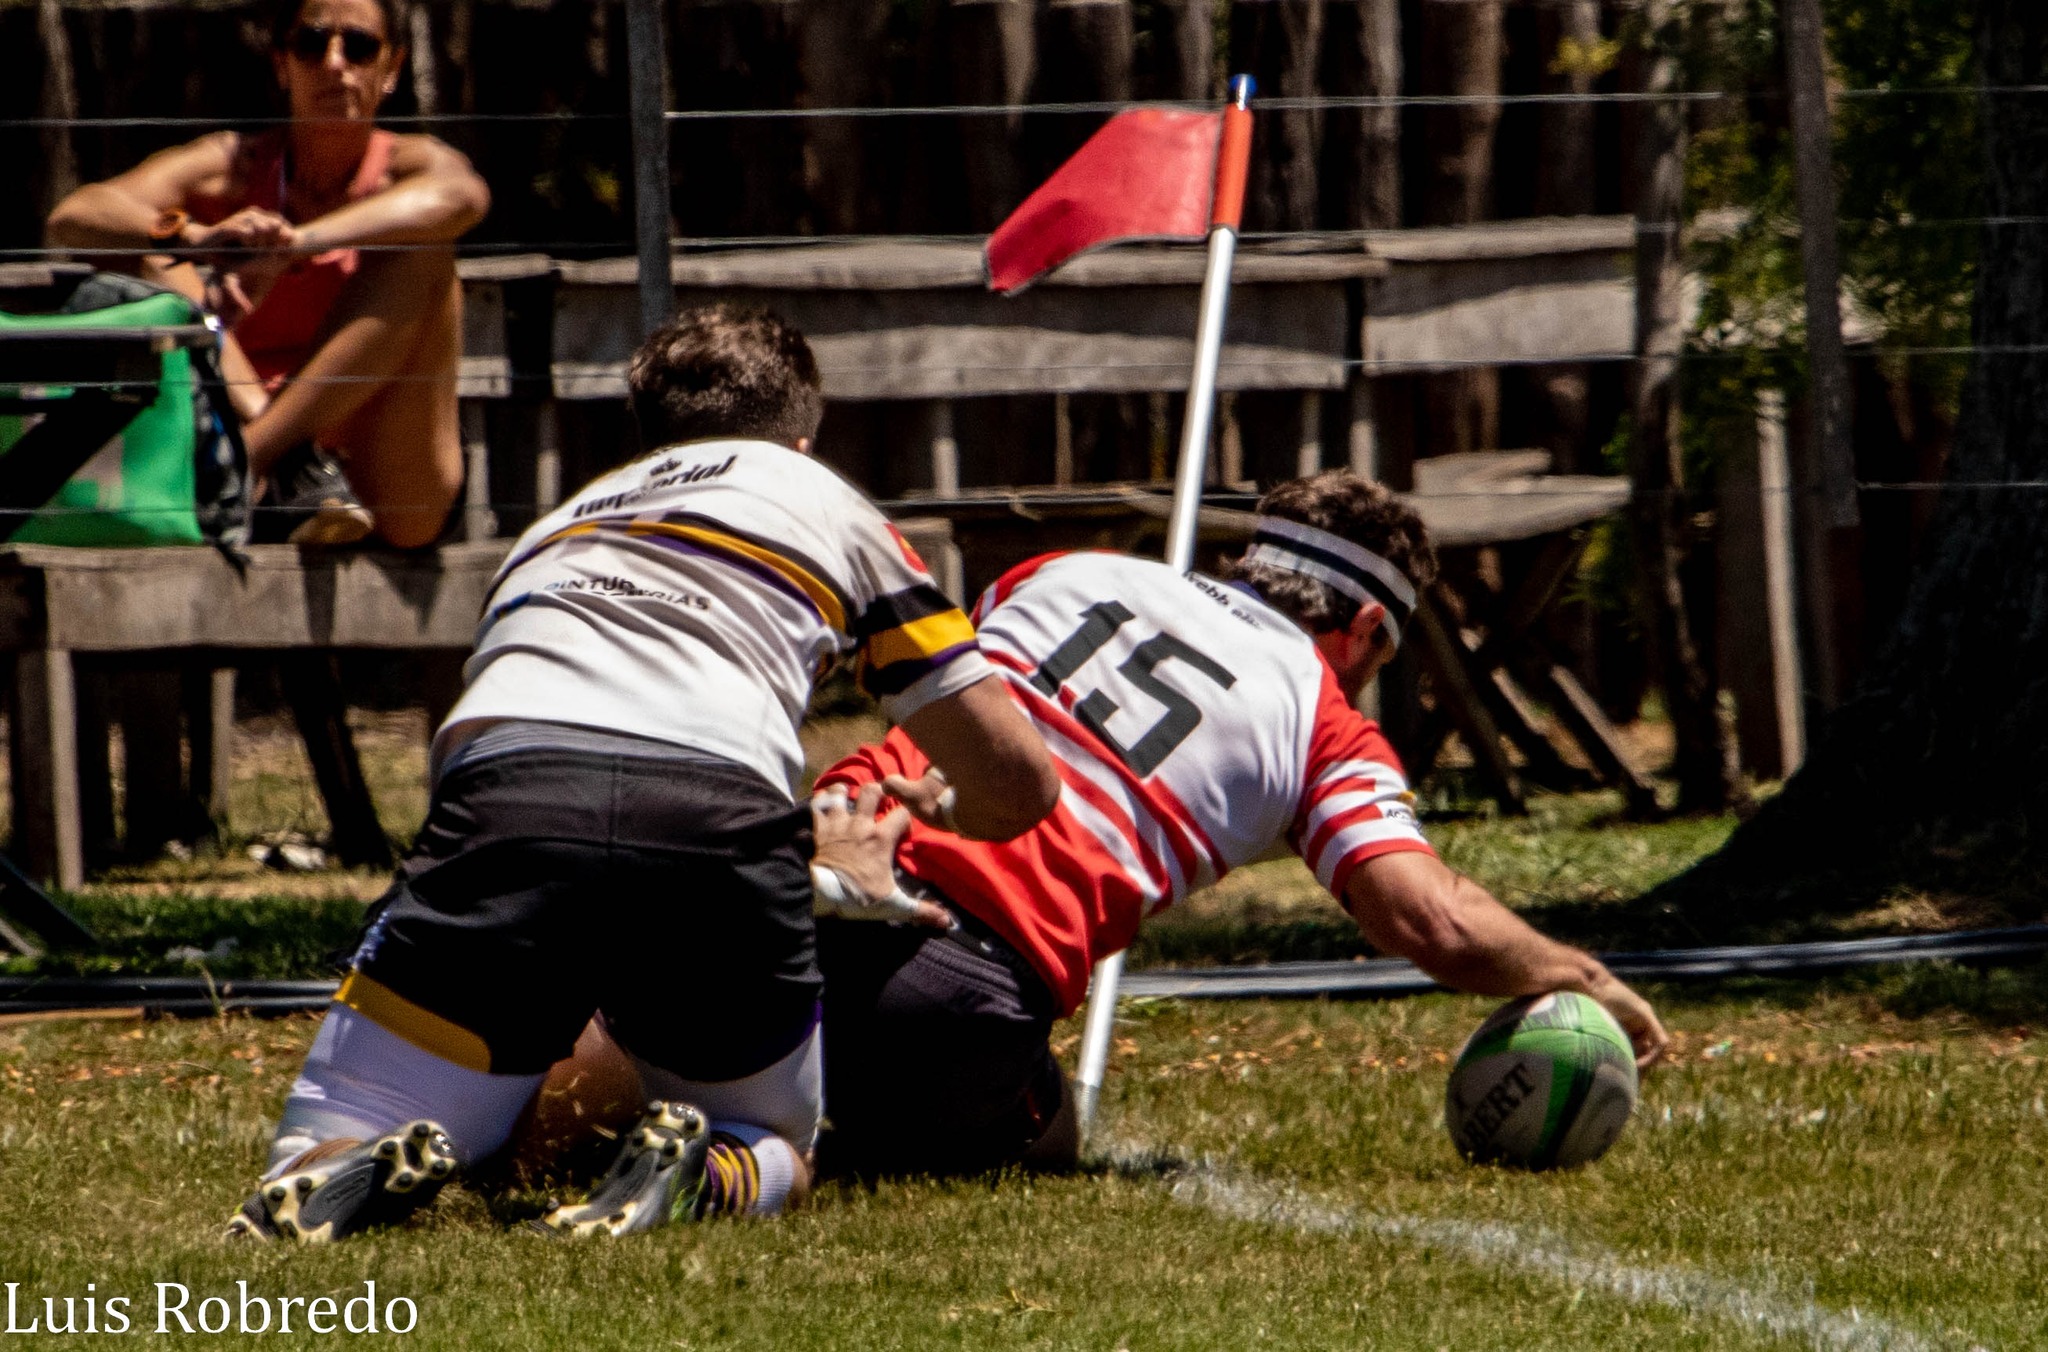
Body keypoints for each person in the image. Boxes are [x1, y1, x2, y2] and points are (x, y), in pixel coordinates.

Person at [226, 305, 1059, 1243]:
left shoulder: (560, 523)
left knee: (349, 1113)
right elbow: (1020, 784)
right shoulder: (821, 496)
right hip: (711, 813)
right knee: (779, 1137)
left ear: (648, 433)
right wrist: (944, 805)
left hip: (509, 799)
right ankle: (706, 1169)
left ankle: (348, 1161)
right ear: (801, 433)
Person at [800, 470, 1670, 1176]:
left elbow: (940, 723)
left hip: (791, 896)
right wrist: (1583, 977)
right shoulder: (1322, 724)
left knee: (716, 1048)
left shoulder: (1061, 570)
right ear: (1367, 625)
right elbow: (1430, 917)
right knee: (1045, 1134)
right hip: (951, 991)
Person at [44, 0, 489, 547]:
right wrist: (196, 239)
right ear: (282, 64)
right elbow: (74, 217)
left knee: (425, 254)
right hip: (269, 469)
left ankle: (256, 453)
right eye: (311, 43)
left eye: (359, 46)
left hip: (389, 484)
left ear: (392, 69)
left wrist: (294, 245)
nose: (334, 63)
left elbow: (463, 196)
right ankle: (287, 462)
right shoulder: (235, 165)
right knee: (148, 251)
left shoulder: (409, 165)